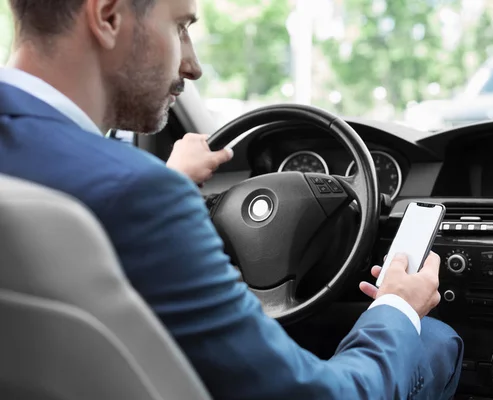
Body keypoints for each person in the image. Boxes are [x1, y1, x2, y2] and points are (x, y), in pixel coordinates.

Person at [0, 0, 463, 399]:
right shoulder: (140, 197)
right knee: (432, 339)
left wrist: (167, 182)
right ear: (107, 16)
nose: (193, 65)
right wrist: (397, 306)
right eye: (180, 27)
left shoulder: (114, 187)